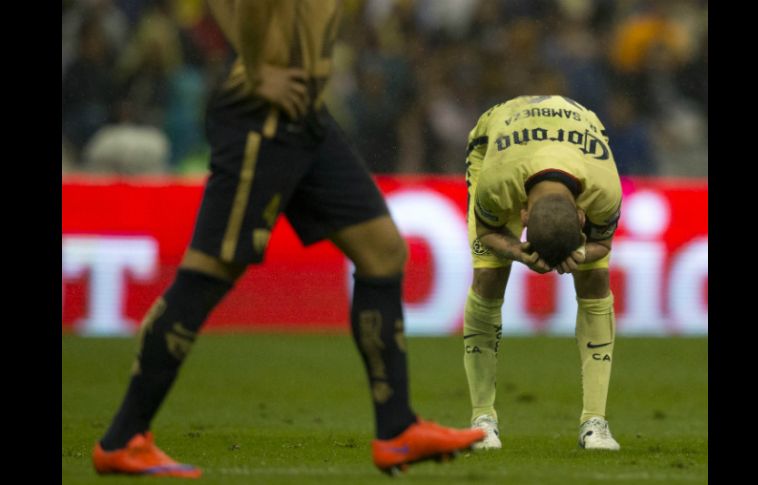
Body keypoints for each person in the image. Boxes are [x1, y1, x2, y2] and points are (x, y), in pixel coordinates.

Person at [91, 0, 483, 478]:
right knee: (208, 271)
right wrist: (258, 68)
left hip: (306, 115)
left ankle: (397, 428)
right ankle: (123, 437)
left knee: (382, 250)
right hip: (267, 113)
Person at [462, 95, 622, 451]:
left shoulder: (604, 190)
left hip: (580, 128)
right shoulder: (496, 184)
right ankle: (482, 418)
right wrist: (516, 252)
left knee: (595, 279)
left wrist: (580, 253)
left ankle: (595, 421)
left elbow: (604, 246)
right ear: (521, 216)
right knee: (488, 277)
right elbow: (489, 233)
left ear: (582, 215)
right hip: (497, 137)